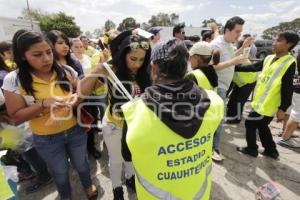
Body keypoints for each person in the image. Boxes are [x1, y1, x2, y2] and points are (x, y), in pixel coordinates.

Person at [121, 38, 224, 200]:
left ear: (153, 67)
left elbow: (127, 156)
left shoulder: (133, 111)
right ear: (186, 66)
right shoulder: (215, 101)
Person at [2, 30, 98, 199]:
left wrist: (77, 98)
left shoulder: (66, 70)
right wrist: (44, 103)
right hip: (46, 139)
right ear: (23, 56)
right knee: (59, 172)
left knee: (82, 164)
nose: (46, 59)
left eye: (48, 52)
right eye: (37, 54)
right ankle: (65, 195)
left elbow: (79, 93)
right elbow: (16, 116)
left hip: (75, 130)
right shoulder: (14, 80)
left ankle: (88, 185)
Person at [79, 30, 152, 199]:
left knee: (131, 157)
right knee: (116, 159)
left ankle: (129, 177)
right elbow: (81, 92)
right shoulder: (111, 70)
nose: (137, 64)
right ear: (123, 54)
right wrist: (97, 71)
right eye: (133, 59)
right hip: (114, 125)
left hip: (135, 126)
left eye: (142, 59)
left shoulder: (146, 72)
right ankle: (116, 188)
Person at [236, 31, 299, 159]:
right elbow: (253, 67)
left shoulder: (289, 62)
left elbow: (287, 88)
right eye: (275, 39)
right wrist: (234, 67)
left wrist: (283, 108)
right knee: (262, 125)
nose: (274, 42)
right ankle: (271, 150)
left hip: (270, 104)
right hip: (260, 102)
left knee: (250, 123)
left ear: (289, 44)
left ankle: (252, 148)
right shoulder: (269, 58)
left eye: (279, 40)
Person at [47, 30, 101, 159]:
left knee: (88, 126)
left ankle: (91, 148)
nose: (65, 46)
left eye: (66, 43)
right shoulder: (48, 65)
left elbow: (82, 83)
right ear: (49, 45)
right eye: (60, 43)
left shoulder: (74, 63)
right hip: (62, 106)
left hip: (83, 101)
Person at [210, 16, 249, 161]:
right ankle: (214, 148)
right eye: (237, 32)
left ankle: (212, 146)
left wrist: (243, 48)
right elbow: (212, 67)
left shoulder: (228, 44)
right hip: (218, 87)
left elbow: (233, 55)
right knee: (219, 119)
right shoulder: (216, 44)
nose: (239, 35)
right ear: (227, 30)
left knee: (218, 119)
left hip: (225, 86)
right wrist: (233, 61)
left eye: (240, 32)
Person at [226, 34, 257, 123]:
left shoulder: (239, 56)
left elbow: (230, 63)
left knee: (239, 101)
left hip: (248, 82)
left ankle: (236, 119)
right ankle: (230, 116)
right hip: (241, 82)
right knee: (233, 98)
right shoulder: (237, 54)